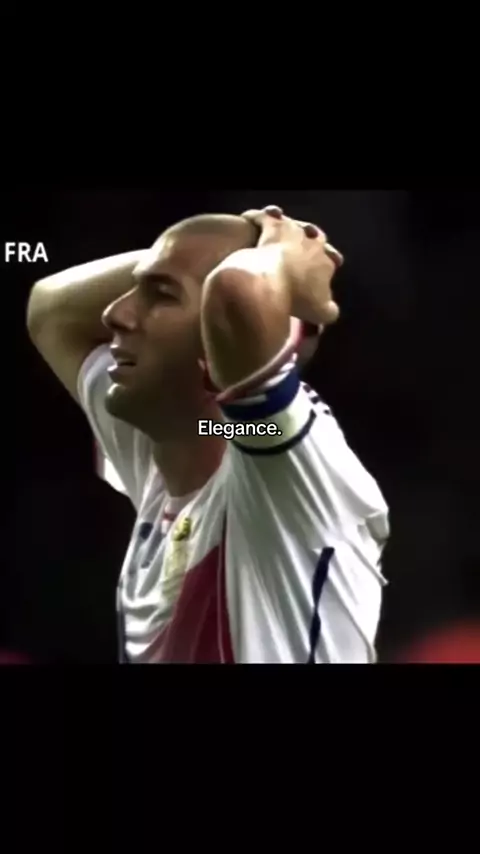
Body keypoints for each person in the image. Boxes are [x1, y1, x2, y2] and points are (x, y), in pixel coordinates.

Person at [27, 205, 389, 663]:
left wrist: (285, 249)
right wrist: (199, 252)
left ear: (212, 352)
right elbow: (51, 308)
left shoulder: (288, 475)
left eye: (161, 295)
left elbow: (237, 293)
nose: (114, 313)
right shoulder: (177, 437)